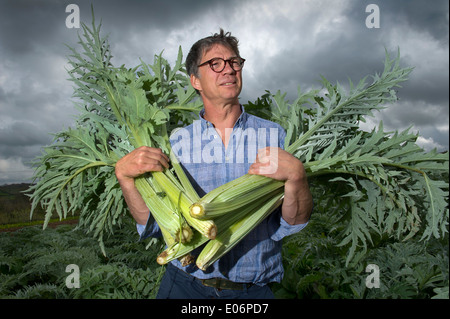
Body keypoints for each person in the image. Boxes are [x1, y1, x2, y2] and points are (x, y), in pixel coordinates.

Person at [114, 29, 313, 299]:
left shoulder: (276, 136)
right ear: (195, 80)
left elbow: (294, 222)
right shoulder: (176, 144)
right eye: (215, 64)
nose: (229, 70)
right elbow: (151, 222)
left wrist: (298, 177)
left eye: (234, 62)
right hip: (183, 285)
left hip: (252, 292)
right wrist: (125, 178)